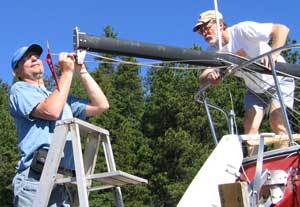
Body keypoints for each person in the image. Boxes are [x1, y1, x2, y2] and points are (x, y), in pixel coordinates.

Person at [9, 44, 109, 206]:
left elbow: (101, 105)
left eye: (36, 56)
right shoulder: (19, 90)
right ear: (16, 71)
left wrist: (81, 70)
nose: (34, 58)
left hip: (63, 183)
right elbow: (52, 111)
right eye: (26, 58)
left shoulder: (60, 97)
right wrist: (67, 72)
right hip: (36, 180)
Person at [194, 10, 295, 155]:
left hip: (279, 80)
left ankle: (282, 167)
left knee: (277, 120)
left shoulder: (242, 30)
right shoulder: (215, 52)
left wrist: (273, 54)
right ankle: (254, 167)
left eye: (206, 27)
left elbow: (281, 29)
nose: (204, 33)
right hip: (255, 89)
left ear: (220, 24)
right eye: (201, 31)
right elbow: (202, 78)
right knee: (249, 128)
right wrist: (211, 76)